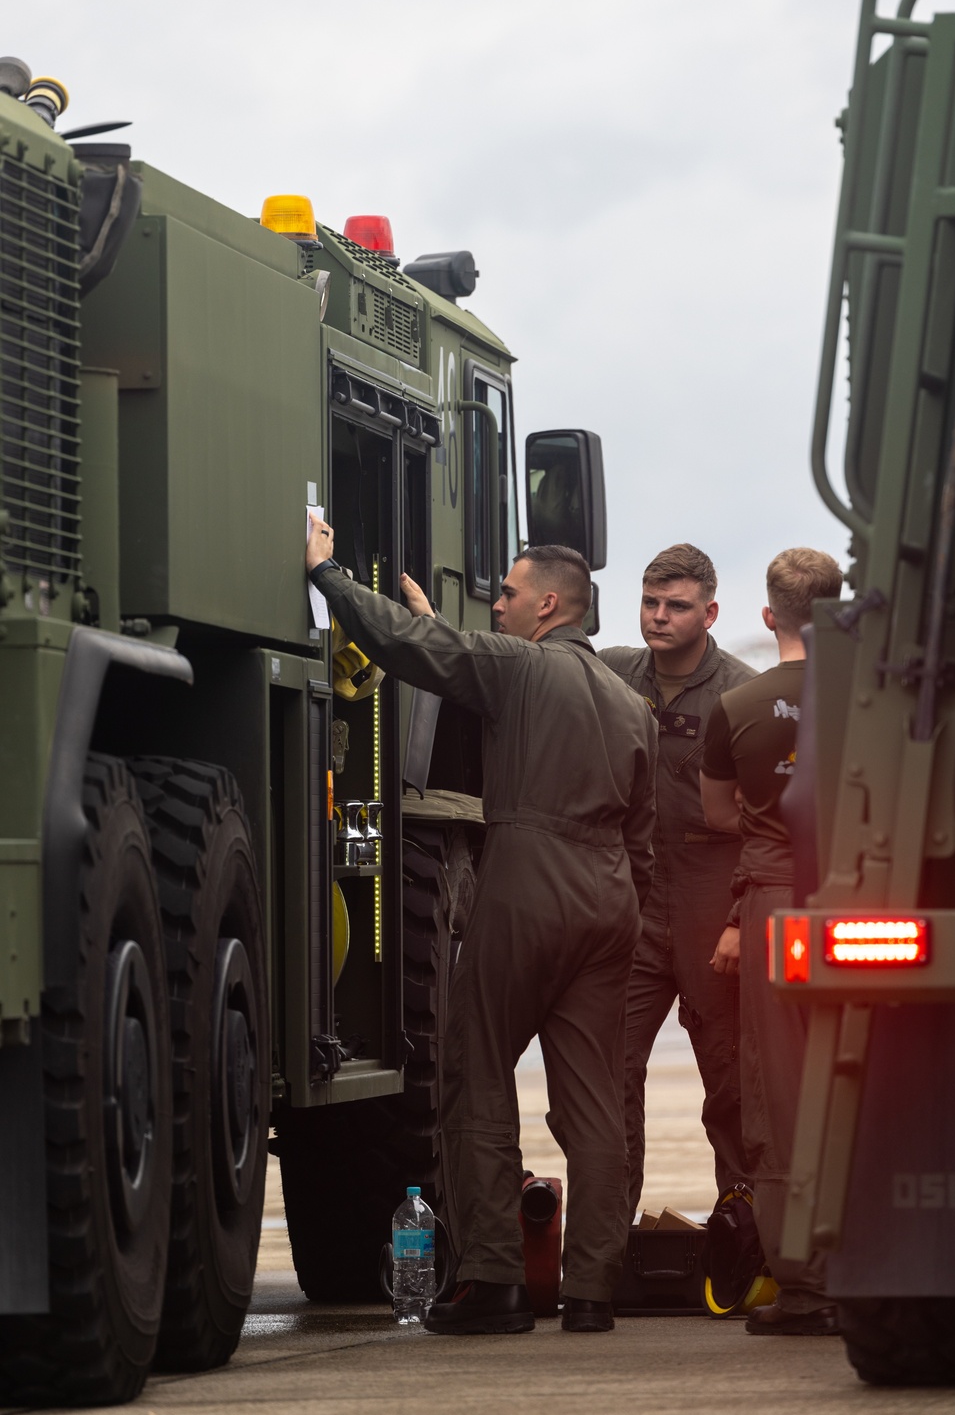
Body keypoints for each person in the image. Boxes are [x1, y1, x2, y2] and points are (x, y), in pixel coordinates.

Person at [306, 521, 657, 1335]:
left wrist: (327, 572)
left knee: (476, 1065)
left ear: (546, 602)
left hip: (531, 874)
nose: (494, 601)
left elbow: (403, 646)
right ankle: (594, 1290)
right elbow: (645, 832)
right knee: (594, 1097)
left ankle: (495, 1278)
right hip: (613, 894)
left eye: (505, 591)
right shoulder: (627, 701)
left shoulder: (521, 665)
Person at [699, 546, 843, 1336]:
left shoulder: (738, 705)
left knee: (780, 1091)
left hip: (777, 901)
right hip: (866, 892)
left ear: (766, 616)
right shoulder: (871, 701)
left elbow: (719, 816)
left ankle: (806, 1282)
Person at [598, 544, 756, 1212]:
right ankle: (605, 1244)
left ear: (710, 611)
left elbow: (772, 822)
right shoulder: (609, 675)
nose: (659, 618)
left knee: (730, 1077)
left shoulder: (743, 695)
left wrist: (740, 919)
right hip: (631, 903)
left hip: (708, 901)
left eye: (677, 606)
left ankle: (742, 1234)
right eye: (650, 603)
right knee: (608, 1071)